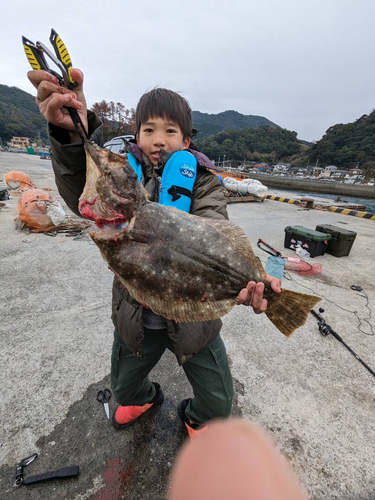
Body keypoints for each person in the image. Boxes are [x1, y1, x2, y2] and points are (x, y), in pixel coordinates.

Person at [28, 68, 281, 438]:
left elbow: (213, 227)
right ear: (136, 133)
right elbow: (79, 194)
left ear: (187, 139)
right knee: (124, 391)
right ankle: (146, 397)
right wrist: (71, 134)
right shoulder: (124, 181)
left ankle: (197, 417)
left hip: (195, 321)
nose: (158, 140)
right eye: (149, 130)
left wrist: (251, 280)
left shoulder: (204, 182)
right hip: (136, 320)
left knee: (218, 405)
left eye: (170, 131)